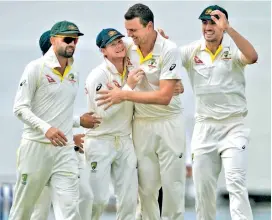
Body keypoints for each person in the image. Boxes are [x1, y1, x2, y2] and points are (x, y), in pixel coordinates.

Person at [96, 4, 186, 219]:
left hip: (169, 122)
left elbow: (164, 97)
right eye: (127, 31)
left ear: (150, 27)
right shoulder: (128, 45)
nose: (129, 36)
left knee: (173, 187)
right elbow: (108, 53)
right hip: (141, 123)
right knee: (146, 189)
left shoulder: (169, 49)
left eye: (133, 31)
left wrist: (124, 94)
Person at [177, 5, 257, 220]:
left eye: (214, 22)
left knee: (236, 183)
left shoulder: (234, 48)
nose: (208, 27)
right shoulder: (192, 51)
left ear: (223, 24)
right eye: (205, 22)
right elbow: (168, 64)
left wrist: (229, 29)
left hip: (233, 127)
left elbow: (252, 56)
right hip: (204, 129)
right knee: (203, 191)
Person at [9, 20, 92, 220]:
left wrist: (78, 122)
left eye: (75, 40)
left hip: (64, 152)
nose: (72, 44)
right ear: (53, 40)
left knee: (69, 211)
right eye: (68, 39)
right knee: (23, 211)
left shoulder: (74, 72)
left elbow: (58, 112)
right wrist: (46, 129)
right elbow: (19, 108)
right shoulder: (35, 68)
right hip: (36, 148)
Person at [84, 28, 140, 220]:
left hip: (125, 140)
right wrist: (128, 88)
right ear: (103, 51)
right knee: (97, 199)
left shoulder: (130, 70)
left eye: (119, 41)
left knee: (129, 199)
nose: (118, 46)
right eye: (112, 44)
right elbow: (102, 113)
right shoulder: (98, 76)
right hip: (100, 141)